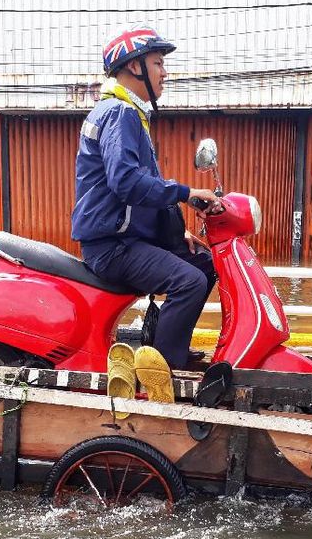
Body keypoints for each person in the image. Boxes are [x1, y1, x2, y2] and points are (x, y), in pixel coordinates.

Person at [71, 26, 221, 371]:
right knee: (189, 281)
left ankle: (166, 348)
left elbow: (139, 189)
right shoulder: (119, 113)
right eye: (158, 63)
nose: (165, 72)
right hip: (111, 246)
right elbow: (126, 183)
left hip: (124, 238)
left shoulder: (127, 113)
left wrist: (173, 233)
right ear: (135, 67)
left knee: (205, 264)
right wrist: (186, 193)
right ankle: (163, 368)